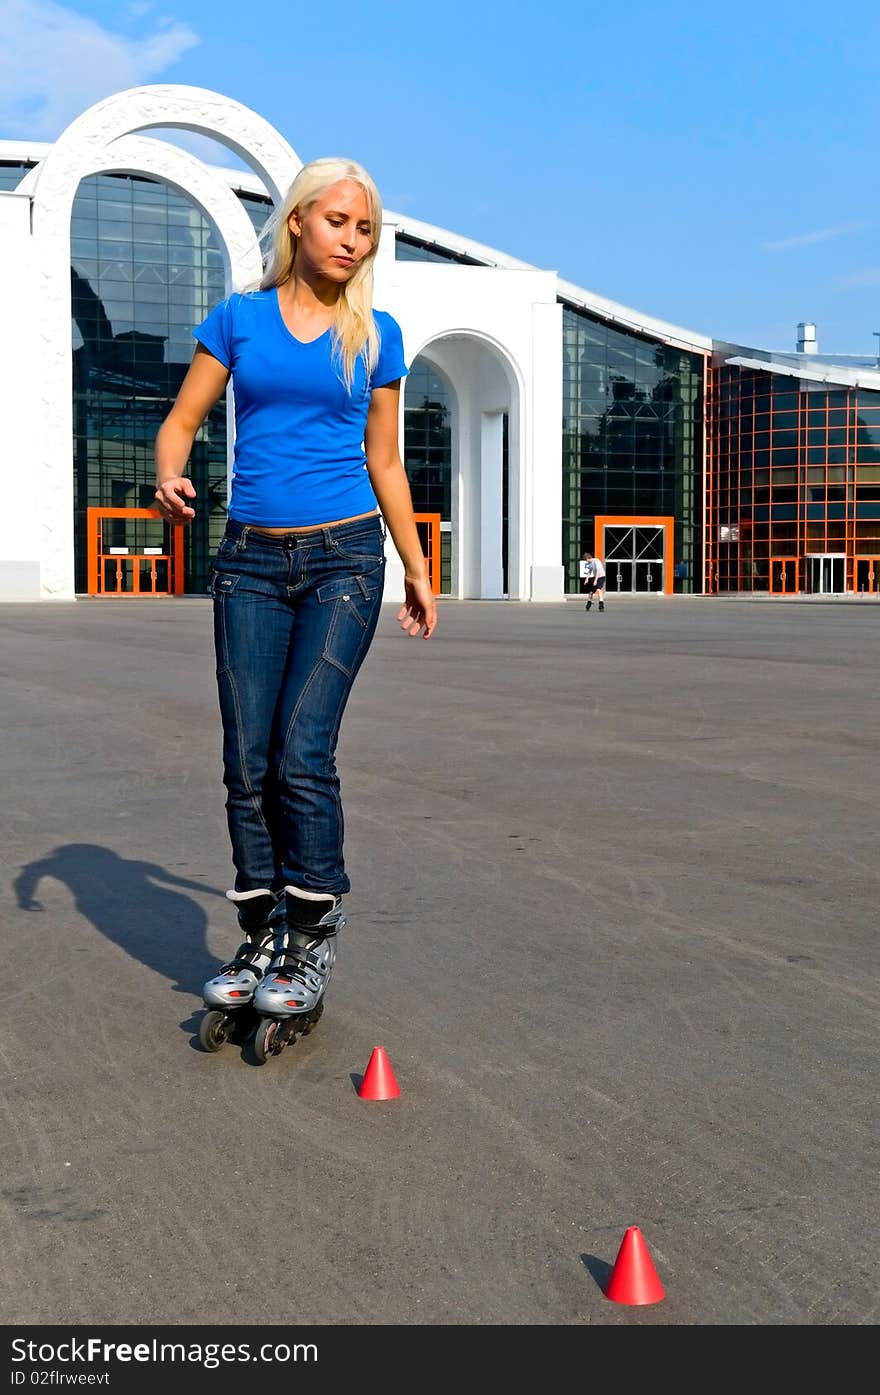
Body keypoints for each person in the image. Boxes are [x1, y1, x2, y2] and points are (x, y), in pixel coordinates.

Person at [154, 156, 436, 1046]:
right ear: (298, 224)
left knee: (301, 750)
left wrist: (418, 565)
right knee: (247, 757)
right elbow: (182, 419)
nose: (352, 240)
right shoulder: (238, 320)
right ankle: (258, 938)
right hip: (248, 563)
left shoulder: (377, 334)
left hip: (346, 560)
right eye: (339, 222)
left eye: (365, 229)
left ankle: (309, 938)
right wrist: (168, 471)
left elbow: (386, 461)